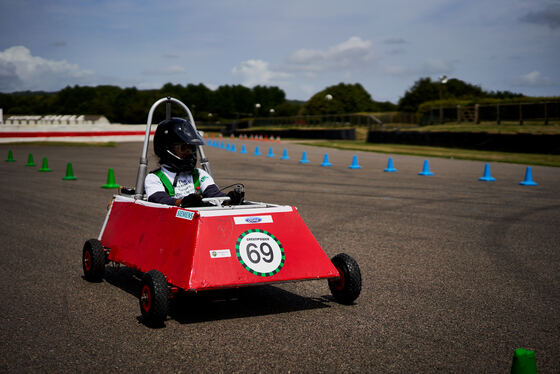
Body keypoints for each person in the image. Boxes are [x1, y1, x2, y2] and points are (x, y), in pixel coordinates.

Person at [144, 117, 243, 207]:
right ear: (166, 149)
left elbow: (214, 194)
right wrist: (182, 202)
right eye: (183, 148)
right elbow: (159, 199)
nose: (190, 153)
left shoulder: (199, 174)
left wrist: (230, 199)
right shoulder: (154, 178)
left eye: (192, 148)